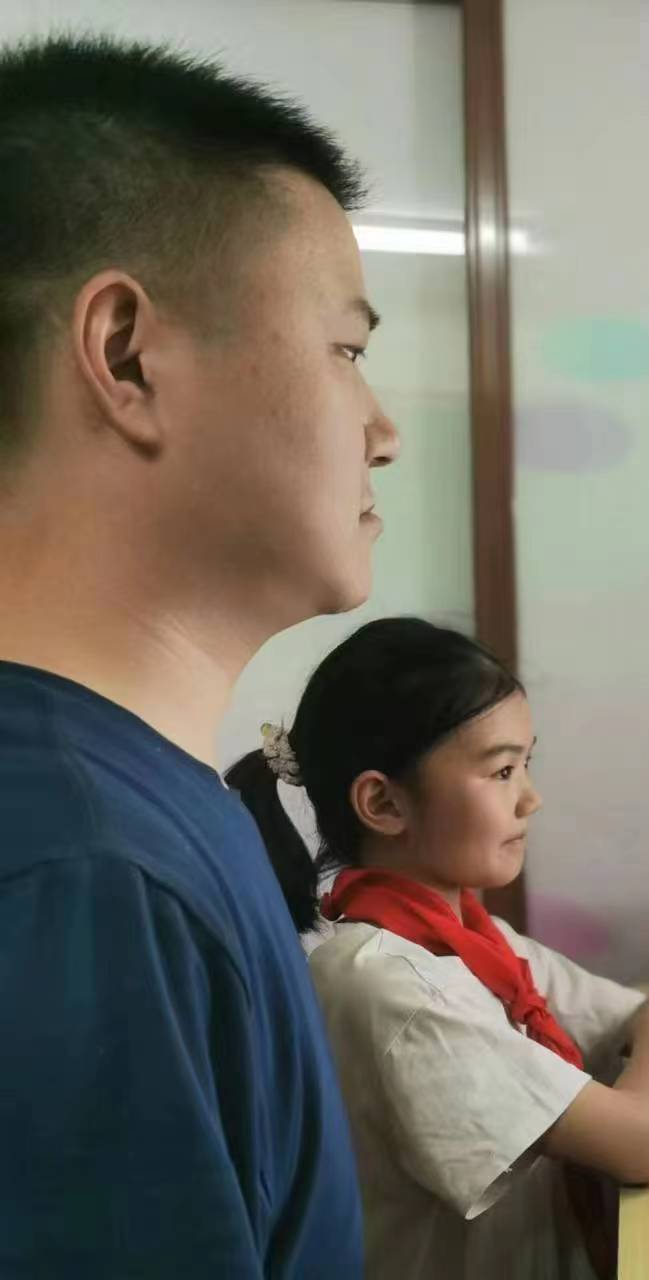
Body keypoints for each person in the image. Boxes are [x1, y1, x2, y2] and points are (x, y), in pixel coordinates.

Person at [0, 35, 396, 1275]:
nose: (383, 429)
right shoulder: (83, 874)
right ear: (126, 355)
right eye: (346, 351)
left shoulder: (140, 804)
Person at [226, 617, 649, 1280]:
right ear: (383, 803)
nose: (531, 799)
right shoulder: (389, 984)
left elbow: (640, 1021)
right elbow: (647, 1136)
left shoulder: (476, 942)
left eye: (527, 764)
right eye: (503, 770)